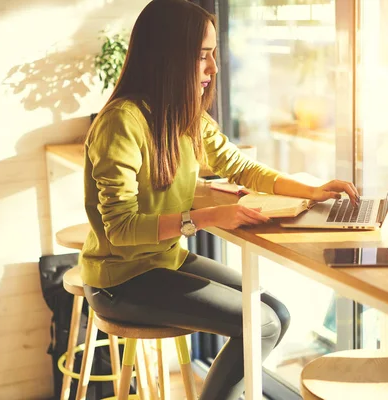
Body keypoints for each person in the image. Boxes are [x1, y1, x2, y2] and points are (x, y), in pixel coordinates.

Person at [79, 0, 359, 398]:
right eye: (202, 56)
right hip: (121, 279)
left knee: (277, 314)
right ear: (168, 58)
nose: (213, 68)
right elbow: (121, 230)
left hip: (164, 260)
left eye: (214, 54)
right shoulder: (122, 122)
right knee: (259, 324)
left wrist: (311, 190)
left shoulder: (183, 114)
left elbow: (240, 166)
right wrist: (209, 217)